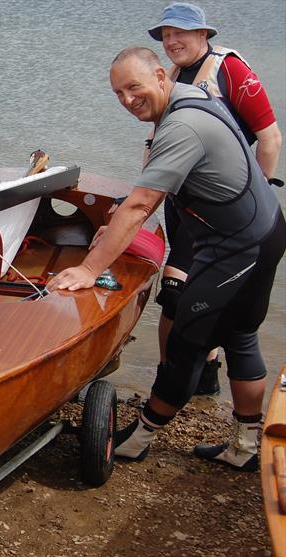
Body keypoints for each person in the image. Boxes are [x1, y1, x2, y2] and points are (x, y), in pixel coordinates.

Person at [47, 47, 285, 472]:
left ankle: (138, 438)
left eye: (133, 87)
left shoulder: (181, 127)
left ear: (160, 76)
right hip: (264, 228)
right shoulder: (194, 96)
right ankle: (246, 446)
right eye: (117, 92)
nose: (126, 100)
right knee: (241, 334)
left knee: (186, 343)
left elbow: (142, 205)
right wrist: (120, 216)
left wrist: (89, 268)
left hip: (237, 245)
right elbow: (152, 194)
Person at [147, 2, 283, 395]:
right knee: (176, 297)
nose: (172, 42)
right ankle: (188, 377)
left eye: (180, 33)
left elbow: (270, 137)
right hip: (185, 206)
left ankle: (187, 381)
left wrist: (256, 196)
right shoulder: (172, 74)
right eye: (166, 36)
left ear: (203, 34)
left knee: (200, 300)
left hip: (225, 212)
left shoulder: (232, 71)